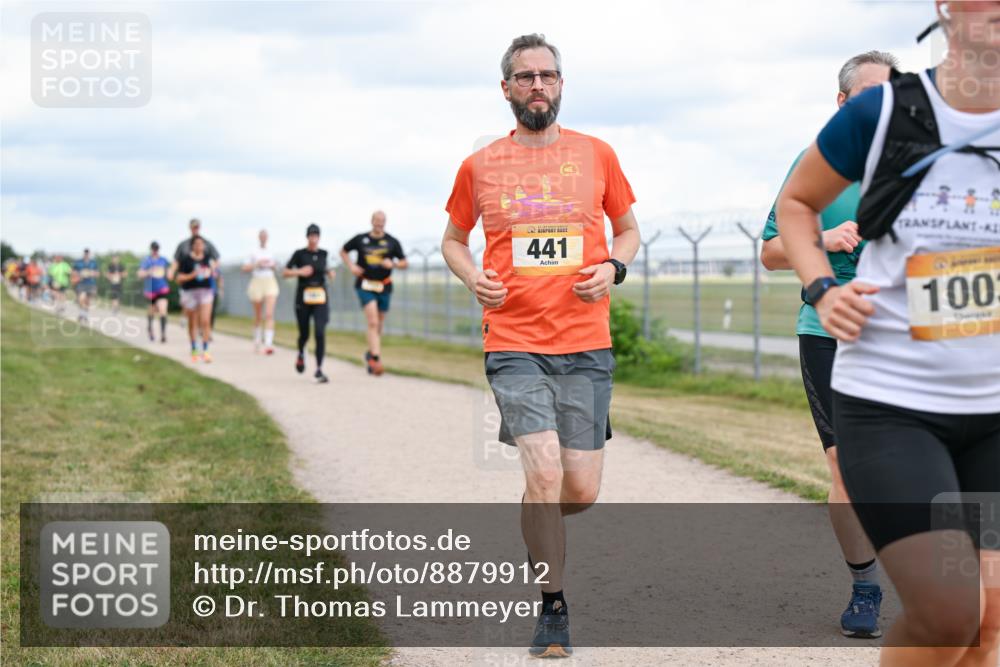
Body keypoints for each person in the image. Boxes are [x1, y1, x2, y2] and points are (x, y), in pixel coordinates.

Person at [778, 3, 999, 665]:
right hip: (893, 402)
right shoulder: (880, 113)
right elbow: (796, 205)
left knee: (991, 610)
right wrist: (823, 285)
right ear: (946, 8)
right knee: (946, 611)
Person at [442, 33, 640, 658]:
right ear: (506, 89)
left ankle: (538, 512)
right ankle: (552, 608)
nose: (537, 86)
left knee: (576, 489)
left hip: (586, 341)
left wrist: (614, 266)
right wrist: (472, 274)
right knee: (546, 470)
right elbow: (452, 239)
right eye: (524, 77)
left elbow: (628, 230)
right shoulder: (480, 165)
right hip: (514, 339)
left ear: (560, 85)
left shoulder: (597, 155)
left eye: (547, 76)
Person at [761, 49, 897, 639]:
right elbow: (769, 252)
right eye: (870, 95)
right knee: (846, 470)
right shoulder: (813, 166)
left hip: (912, 340)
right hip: (830, 335)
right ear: (843, 104)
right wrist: (822, 236)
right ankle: (865, 586)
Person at [340, 210, 408, 375]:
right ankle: (376, 359)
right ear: (371, 221)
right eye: (377, 220)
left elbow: (404, 262)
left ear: (385, 222)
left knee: (379, 324)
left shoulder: (392, 242)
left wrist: (392, 264)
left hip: (384, 286)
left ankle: (371, 353)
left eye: (382, 220)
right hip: (364, 284)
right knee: (373, 322)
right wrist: (351, 266)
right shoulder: (360, 239)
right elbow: (343, 251)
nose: (379, 223)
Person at [284, 223, 336, 383]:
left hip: (320, 296)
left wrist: (330, 272)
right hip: (303, 296)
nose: (313, 238)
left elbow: (327, 268)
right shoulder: (299, 254)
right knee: (304, 333)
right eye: (311, 235)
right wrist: (299, 271)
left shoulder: (324, 254)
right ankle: (301, 353)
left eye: (316, 235)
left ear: (319, 237)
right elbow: (285, 272)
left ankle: (319, 369)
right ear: (307, 237)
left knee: (320, 332)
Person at [171, 218, 222, 329]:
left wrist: (213, 270)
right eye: (193, 227)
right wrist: (171, 272)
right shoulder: (183, 245)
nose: (195, 229)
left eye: (197, 226)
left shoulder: (207, 244)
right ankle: (189, 322)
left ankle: (203, 332)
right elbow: (176, 261)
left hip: (203, 282)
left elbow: (216, 260)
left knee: (204, 309)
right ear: (190, 228)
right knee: (189, 307)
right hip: (188, 282)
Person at [175, 236, 216, 362]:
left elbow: (214, 272)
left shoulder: (208, 258)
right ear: (192, 246)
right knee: (193, 322)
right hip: (190, 292)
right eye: (197, 244)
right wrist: (193, 275)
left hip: (205, 292)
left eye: (201, 244)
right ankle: (194, 348)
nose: (200, 246)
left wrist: (211, 272)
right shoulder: (186, 260)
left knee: (205, 321)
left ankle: (206, 350)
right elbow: (179, 278)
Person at [242, 229, 280, 354]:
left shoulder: (272, 251)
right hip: (257, 281)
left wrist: (271, 265)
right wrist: (257, 264)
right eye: (261, 236)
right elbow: (245, 268)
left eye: (265, 236)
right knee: (258, 315)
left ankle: (268, 343)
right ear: (259, 237)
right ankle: (257, 340)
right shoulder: (253, 251)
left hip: (269, 281)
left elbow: (276, 266)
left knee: (269, 314)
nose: (263, 238)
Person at [138, 242, 171, 343]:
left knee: (163, 310)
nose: (155, 251)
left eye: (156, 249)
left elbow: (169, 272)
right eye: (153, 249)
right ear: (151, 249)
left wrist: (169, 274)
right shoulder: (147, 261)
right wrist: (149, 272)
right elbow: (140, 274)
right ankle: (150, 328)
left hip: (162, 288)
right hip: (151, 291)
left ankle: (163, 334)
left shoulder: (163, 260)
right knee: (152, 312)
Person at [72, 249, 99, 323]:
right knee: (81, 299)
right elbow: (73, 272)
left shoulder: (93, 263)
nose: (86, 255)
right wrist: (80, 274)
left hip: (91, 283)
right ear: (83, 254)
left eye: (87, 254)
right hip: (81, 283)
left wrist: (90, 273)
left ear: (89, 254)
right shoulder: (78, 262)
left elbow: (97, 274)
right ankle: (81, 313)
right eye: (85, 254)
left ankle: (85, 315)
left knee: (87, 300)